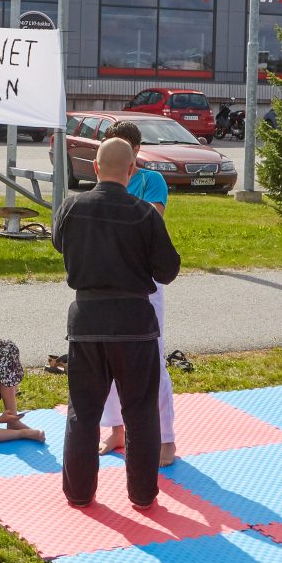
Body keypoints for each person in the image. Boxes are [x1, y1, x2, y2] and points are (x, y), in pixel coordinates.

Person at [54, 137, 181, 509]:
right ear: (132, 170)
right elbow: (168, 270)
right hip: (135, 325)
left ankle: (78, 494)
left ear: (94, 167)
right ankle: (142, 496)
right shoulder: (144, 213)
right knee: (141, 413)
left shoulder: (71, 207)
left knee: (83, 411)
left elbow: (61, 246)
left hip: (87, 321)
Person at [97, 120, 178, 465]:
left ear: (134, 156)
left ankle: (166, 440)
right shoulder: (102, 184)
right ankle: (116, 429)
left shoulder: (151, 181)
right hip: (109, 281)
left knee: (151, 361)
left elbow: (152, 222)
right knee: (107, 361)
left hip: (144, 283)